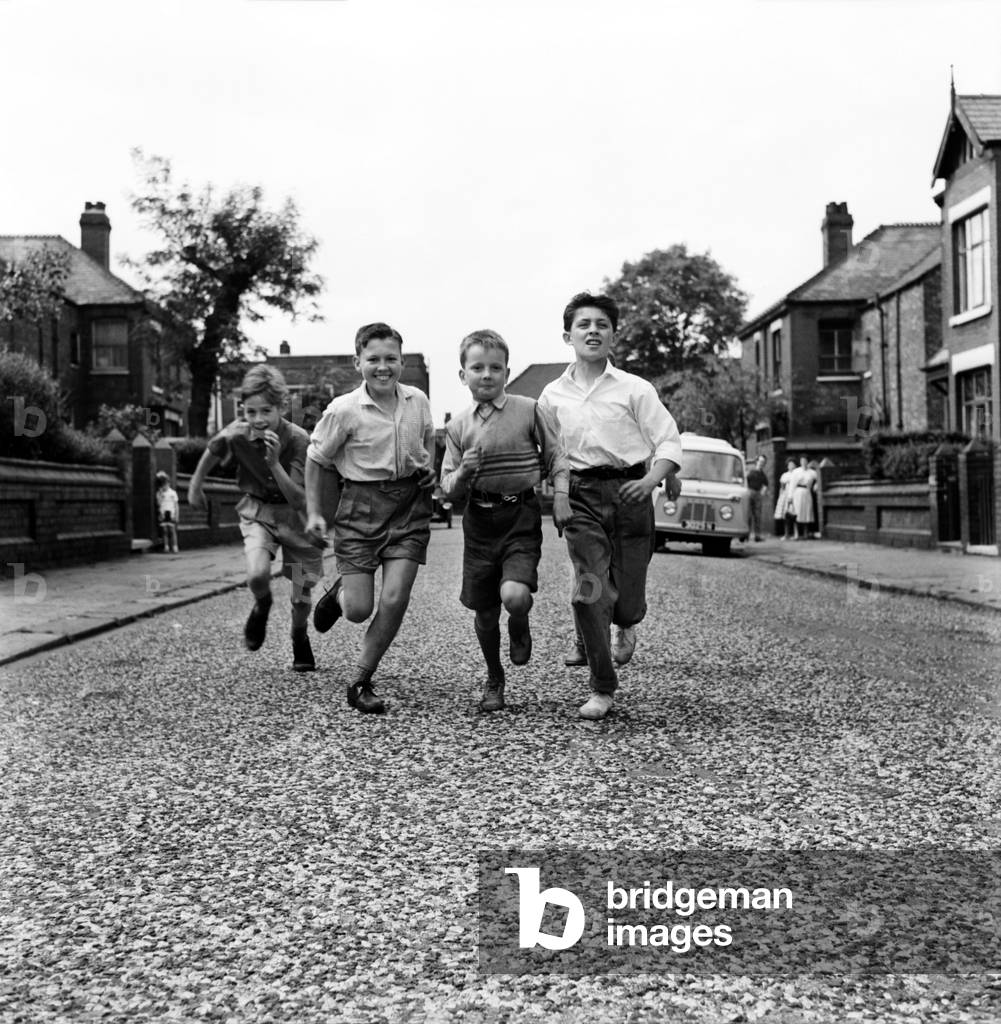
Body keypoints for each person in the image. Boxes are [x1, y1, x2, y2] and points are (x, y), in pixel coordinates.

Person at [539, 292, 682, 721]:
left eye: (602, 324)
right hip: (580, 496)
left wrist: (654, 479)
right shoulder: (551, 395)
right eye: (584, 325)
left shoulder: (636, 389)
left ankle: (627, 621)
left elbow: (668, 439)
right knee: (588, 592)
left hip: (631, 495)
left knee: (625, 599)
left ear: (614, 335)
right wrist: (558, 495)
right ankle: (602, 687)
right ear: (568, 335)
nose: (593, 331)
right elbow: (548, 452)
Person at [304, 322, 436, 715]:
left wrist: (428, 466)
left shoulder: (418, 400)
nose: (383, 367)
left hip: (410, 507)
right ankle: (339, 593)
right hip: (360, 508)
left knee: (395, 598)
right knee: (358, 610)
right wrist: (314, 513)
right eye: (373, 359)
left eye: (391, 358)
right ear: (357, 362)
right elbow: (316, 459)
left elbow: (427, 438)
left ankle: (361, 678)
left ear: (402, 361)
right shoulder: (343, 410)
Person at [439, 329, 572, 712]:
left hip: (520, 516)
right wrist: (464, 473)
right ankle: (494, 677)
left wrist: (560, 496)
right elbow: (448, 488)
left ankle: (520, 620)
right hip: (479, 523)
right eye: (477, 367)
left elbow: (557, 457)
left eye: (495, 368)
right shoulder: (457, 427)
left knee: (514, 595)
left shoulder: (529, 409)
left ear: (507, 372)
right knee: (484, 612)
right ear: (463, 375)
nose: (486, 374)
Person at [189, 365, 323, 672]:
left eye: (266, 411)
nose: (258, 419)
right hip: (259, 511)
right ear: (242, 410)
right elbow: (212, 450)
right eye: (251, 412)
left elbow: (299, 498)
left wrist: (274, 463)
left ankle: (298, 634)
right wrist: (195, 486)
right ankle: (262, 604)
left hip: (297, 518)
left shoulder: (300, 439)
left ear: (280, 407)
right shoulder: (237, 432)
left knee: (301, 594)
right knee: (256, 575)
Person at [790, 455, 817, 540]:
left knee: (807, 512)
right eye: (802, 461)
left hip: (807, 493)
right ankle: (796, 534)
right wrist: (790, 496)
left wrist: (816, 485)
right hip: (797, 493)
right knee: (796, 513)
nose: (804, 462)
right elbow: (792, 484)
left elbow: (818, 479)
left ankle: (806, 533)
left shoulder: (812, 472)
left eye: (805, 461)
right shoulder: (796, 472)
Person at [154, 471, 180, 553]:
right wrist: (161, 495)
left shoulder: (173, 493)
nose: (164, 486)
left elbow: (176, 505)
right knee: (164, 531)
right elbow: (158, 504)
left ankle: (175, 546)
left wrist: (177, 515)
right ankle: (166, 546)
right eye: (162, 485)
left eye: (165, 484)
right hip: (163, 513)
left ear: (168, 483)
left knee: (172, 530)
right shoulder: (159, 493)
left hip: (171, 513)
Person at [745, 454, 768, 542]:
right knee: (748, 515)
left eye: (763, 462)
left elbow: (766, 484)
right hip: (749, 492)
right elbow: (745, 480)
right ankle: (746, 535)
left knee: (757, 515)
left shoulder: (763, 474)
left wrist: (762, 493)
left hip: (757, 494)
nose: (761, 463)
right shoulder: (750, 471)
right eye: (760, 461)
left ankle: (757, 535)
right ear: (757, 461)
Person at [774, 457, 797, 540]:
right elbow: (782, 487)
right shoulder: (785, 475)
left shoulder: (797, 474)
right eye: (790, 465)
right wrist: (781, 497)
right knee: (786, 516)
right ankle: (786, 534)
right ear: (787, 466)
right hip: (786, 496)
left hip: (795, 495)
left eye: (793, 464)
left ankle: (795, 534)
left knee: (795, 515)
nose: (791, 466)